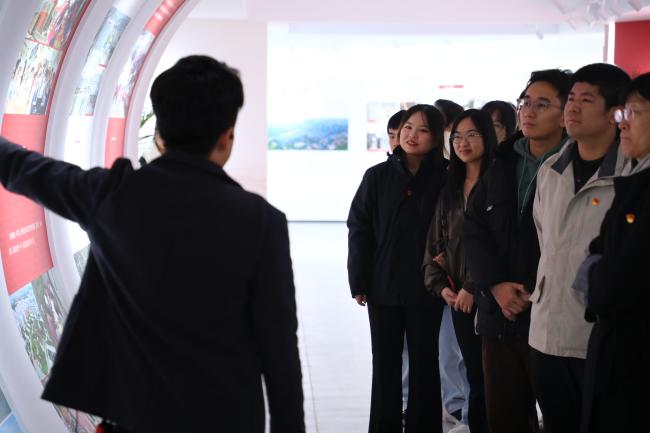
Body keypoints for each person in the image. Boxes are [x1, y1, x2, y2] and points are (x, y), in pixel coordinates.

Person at [0, 55, 305, 433]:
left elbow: (20, 168)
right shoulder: (261, 222)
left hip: (136, 418)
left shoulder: (111, 195)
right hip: (227, 419)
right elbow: (279, 351)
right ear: (227, 135)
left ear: (159, 133)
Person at [463, 68, 572, 433]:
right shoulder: (502, 160)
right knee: (505, 416)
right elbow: (473, 227)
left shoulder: (574, 164)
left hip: (550, 314)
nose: (528, 112)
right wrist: (495, 285)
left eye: (542, 104)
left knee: (561, 415)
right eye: (525, 103)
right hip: (498, 314)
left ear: (565, 112)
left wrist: (526, 289)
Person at [529, 63, 629, 433]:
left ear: (615, 113)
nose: (572, 107)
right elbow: (544, 239)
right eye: (571, 98)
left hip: (599, 338)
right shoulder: (551, 169)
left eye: (586, 100)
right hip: (546, 333)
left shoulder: (632, 175)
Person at [348, 104, 447, 433]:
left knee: (425, 363)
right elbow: (359, 228)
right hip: (384, 285)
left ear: (436, 137)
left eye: (422, 129)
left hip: (428, 286)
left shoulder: (446, 176)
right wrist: (359, 280)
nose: (412, 135)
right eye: (408, 127)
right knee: (385, 364)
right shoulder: (377, 176)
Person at [577, 72, 650, 433]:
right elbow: (595, 255)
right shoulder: (633, 184)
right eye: (622, 113)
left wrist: (598, 273)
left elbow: (615, 282)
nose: (622, 123)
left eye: (632, 112)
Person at [424, 109, 496, 433]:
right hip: (458, 298)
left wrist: (471, 285)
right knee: (474, 375)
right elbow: (434, 244)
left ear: (487, 137)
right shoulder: (450, 188)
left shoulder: (498, 181)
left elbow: (499, 244)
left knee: (493, 376)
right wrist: (441, 286)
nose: (462, 143)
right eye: (456, 137)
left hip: (492, 294)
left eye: (471, 135)